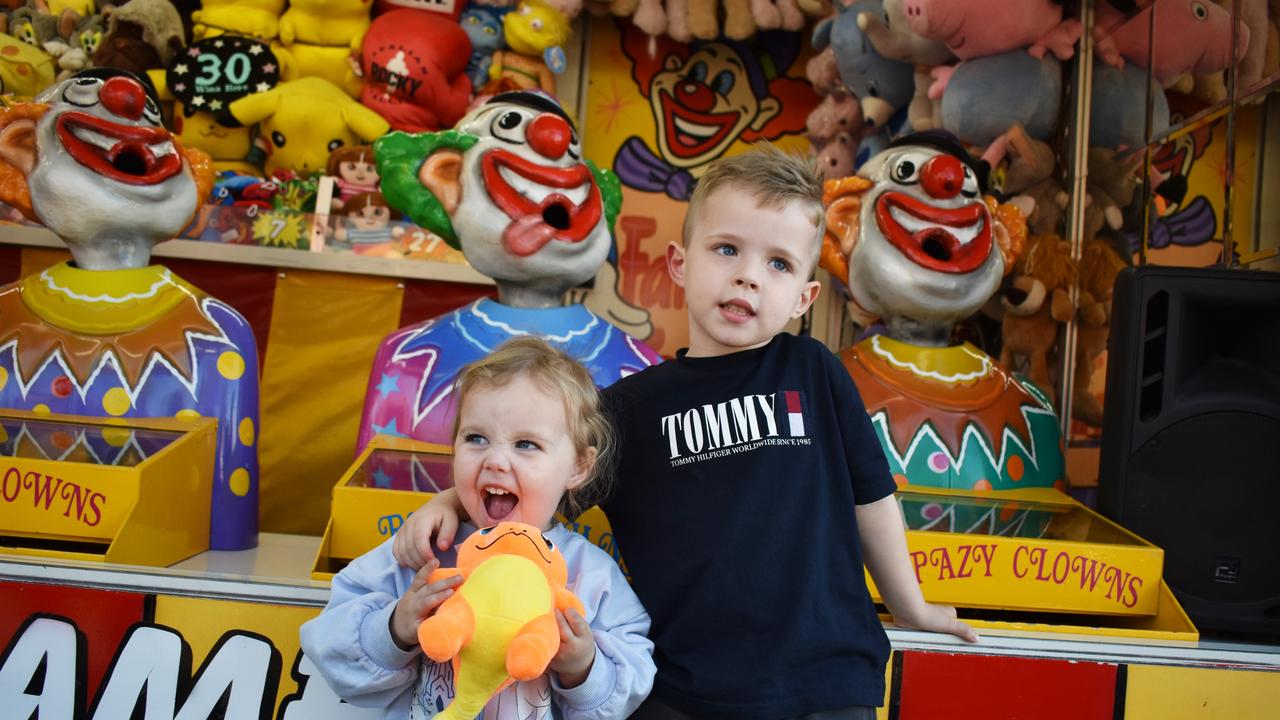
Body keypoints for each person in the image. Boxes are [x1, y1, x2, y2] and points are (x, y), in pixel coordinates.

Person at [393, 145, 977, 720]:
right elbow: (543, 485)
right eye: (727, 249)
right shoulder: (625, 409)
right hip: (680, 688)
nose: (748, 277)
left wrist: (911, 606)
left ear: (805, 296)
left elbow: (870, 498)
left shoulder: (815, 372)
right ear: (680, 263)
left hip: (826, 679)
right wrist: (450, 498)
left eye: (778, 263)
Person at [300, 337, 656, 719]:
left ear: (578, 467)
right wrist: (396, 627)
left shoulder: (590, 573)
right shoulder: (428, 548)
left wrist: (583, 667)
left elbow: (629, 679)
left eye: (526, 444)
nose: (496, 459)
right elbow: (332, 643)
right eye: (476, 438)